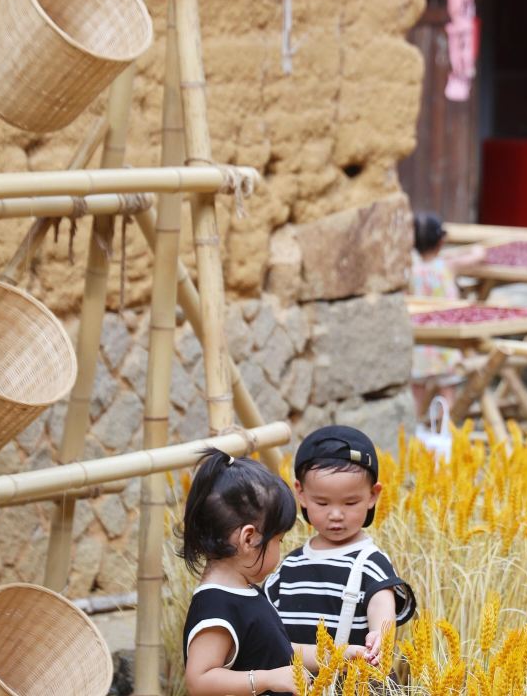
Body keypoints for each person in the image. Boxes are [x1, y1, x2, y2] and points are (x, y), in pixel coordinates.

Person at [178, 449, 367, 696]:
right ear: (249, 539)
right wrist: (267, 679)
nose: (280, 548)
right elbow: (199, 680)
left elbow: (280, 650)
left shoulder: (245, 593)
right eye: (278, 539)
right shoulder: (217, 608)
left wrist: (339, 655)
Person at [266, 426, 417, 667]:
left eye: (350, 502)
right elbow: (266, 623)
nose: (336, 515)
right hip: (294, 683)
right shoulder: (290, 566)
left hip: (353, 682)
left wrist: (381, 635)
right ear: (301, 493)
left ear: (372, 495)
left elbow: (381, 601)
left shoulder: (371, 562)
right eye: (322, 503)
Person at [409, 212, 484, 416]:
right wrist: (477, 248)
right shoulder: (447, 266)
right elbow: (478, 257)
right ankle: (446, 431)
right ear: (441, 242)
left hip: (420, 342)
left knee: (416, 394)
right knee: (447, 394)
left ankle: (412, 432)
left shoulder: (411, 270)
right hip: (446, 343)